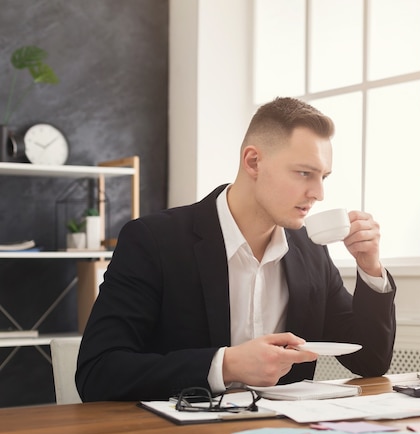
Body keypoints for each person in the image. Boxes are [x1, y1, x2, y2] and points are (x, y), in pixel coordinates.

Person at [76, 97, 396, 402]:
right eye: (304, 173)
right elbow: (98, 372)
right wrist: (225, 365)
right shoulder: (153, 241)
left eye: (323, 176)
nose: (319, 193)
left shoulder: (310, 253)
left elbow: (370, 361)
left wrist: (370, 268)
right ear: (253, 161)